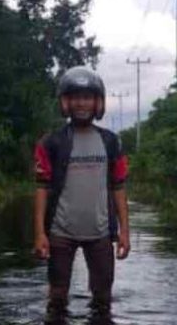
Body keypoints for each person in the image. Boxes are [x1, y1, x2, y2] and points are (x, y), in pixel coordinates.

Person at [32, 66, 130, 312]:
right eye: (75, 97)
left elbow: (119, 188)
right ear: (65, 102)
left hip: (100, 234)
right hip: (60, 233)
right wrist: (39, 233)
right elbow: (42, 189)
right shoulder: (51, 143)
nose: (81, 104)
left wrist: (125, 232)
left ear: (98, 102)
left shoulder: (111, 142)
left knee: (102, 299)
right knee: (56, 297)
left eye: (87, 97)